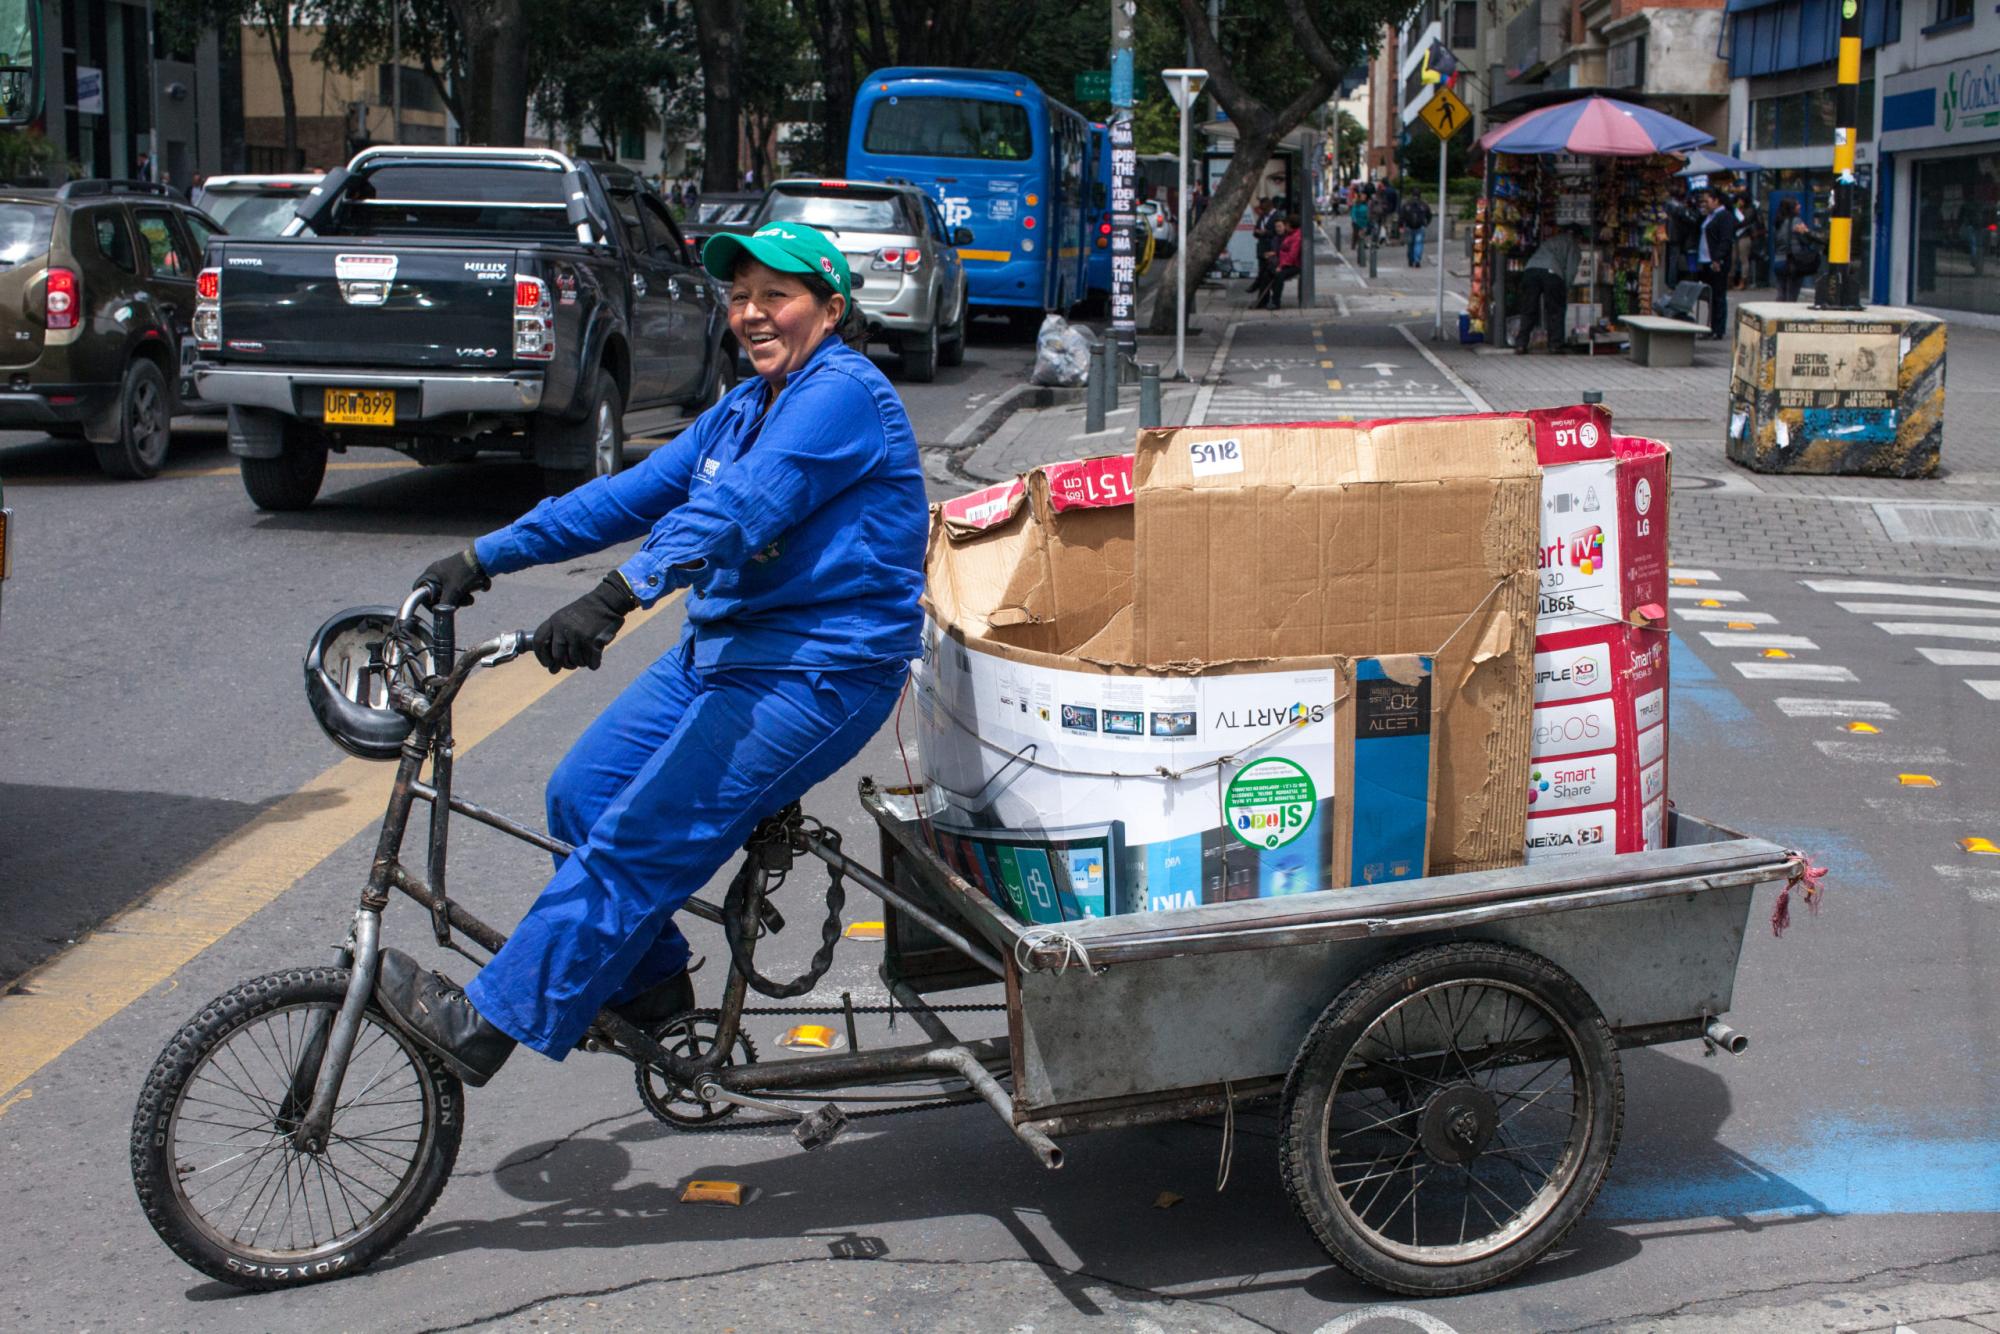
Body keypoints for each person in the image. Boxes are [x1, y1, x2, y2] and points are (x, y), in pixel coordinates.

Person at [380, 223, 928, 1086]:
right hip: (722, 651)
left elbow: (738, 510)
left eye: (775, 296)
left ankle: (489, 1023)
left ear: (828, 308)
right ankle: (655, 988)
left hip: (819, 670)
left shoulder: (843, 395)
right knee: (583, 794)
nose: (752, 313)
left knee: (638, 842)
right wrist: (483, 557)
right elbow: (623, 496)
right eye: (740, 295)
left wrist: (615, 596)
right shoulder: (745, 407)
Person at [1511, 225, 1580, 354]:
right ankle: (1555, 345)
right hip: (1552, 273)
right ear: (1578, 237)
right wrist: (1565, 288)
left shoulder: (1551, 240)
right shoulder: (1573, 244)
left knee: (1529, 309)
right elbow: (1571, 269)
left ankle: (1520, 344)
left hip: (1530, 270)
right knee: (1555, 310)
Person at [1698, 187, 1736, 338]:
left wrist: (1717, 258)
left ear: (1716, 200)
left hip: (1716, 261)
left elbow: (1725, 240)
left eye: (1707, 200)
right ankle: (1710, 326)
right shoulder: (1709, 216)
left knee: (1719, 295)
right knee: (1710, 296)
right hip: (1705, 260)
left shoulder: (1724, 216)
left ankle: (1718, 329)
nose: (1705, 204)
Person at [1774, 199, 1823, 302]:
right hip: (1792, 262)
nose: (1800, 206)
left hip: (1778, 261)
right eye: (1797, 204)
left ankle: (1778, 315)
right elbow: (1807, 239)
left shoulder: (1779, 222)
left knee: (1781, 295)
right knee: (1791, 296)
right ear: (1792, 208)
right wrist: (1807, 232)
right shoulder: (1796, 221)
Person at [1262, 215, 1302, 309]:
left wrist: (1281, 266)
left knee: (1279, 275)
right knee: (1267, 273)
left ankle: (1276, 302)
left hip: (1293, 265)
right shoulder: (1289, 234)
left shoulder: (1296, 237)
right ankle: (1264, 300)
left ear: (1291, 225)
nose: (1285, 226)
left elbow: (1292, 255)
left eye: (1286, 224)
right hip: (1283, 263)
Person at [1401, 194, 1433, 268]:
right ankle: (1417, 260)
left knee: (1410, 244)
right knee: (1418, 243)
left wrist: (1401, 225)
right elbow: (1429, 215)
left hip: (1409, 226)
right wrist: (1426, 223)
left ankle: (1411, 260)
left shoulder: (1407, 204)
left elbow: (1402, 215)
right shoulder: (1424, 204)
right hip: (1420, 227)